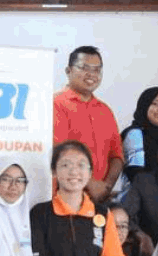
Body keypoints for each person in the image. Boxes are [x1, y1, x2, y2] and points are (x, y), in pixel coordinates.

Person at [52, 45, 123, 203]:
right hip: (66, 199)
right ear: (68, 71)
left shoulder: (105, 110)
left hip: (100, 199)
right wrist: (91, 184)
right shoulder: (56, 104)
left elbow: (116, 156)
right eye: (84, 68)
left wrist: (105, 187)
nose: (91, 74)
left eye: (97, 70)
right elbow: (59, 152)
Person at [120, 86, 158, 181]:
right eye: (156, 104)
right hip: (140, 189)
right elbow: (136, 174)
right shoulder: (135, 134)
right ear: (144, 105)